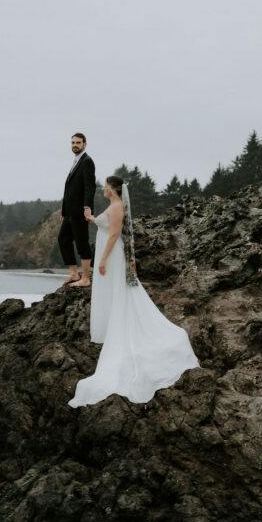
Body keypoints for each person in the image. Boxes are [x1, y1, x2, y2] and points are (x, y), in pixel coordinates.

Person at [68, 174, 198, 406]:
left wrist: (103, 259)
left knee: (119, 291)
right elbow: (105, 225)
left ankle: (121, 327)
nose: (103, 188)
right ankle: (112, 325)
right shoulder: (112, 205)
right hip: (107, 253)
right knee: (111, 292)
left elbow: (115, 234)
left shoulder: (117, 206)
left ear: (114, 189)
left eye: (106, 186)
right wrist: (91, 219)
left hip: (112, 256)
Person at [58, 133, 96, 287]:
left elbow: (90, 187)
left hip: (80, 211)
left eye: (78, 143)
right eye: (73, 142)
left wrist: (87, 208)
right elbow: (69, 189)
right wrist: (63, 210)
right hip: (69, 212)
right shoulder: (76, 161)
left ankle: (85, 278)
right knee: (63, 240)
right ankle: (74, 273)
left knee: (82, 242)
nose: (75, 145)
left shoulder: (87, 161)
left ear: (85, 144)